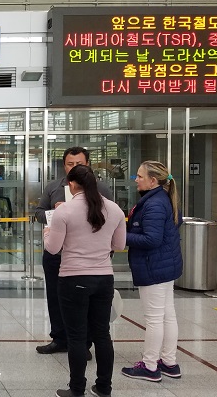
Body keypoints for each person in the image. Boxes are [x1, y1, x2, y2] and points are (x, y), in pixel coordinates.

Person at [43, 165, 126, 397]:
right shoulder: (114, 209)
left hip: (73, 279)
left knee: (77, 336)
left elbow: (53, 248)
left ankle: (77, 388)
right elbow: (119, 245)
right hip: (104, 278)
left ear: (72, 184)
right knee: (102, 334)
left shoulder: (64, 211)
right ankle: (104, 387)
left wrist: (47, 233)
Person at [34, 147, 113, 356]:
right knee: (55, 298)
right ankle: (59, 338)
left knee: (85, 303)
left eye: (79, 164)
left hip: (87, 257)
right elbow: (38, 213)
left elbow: (109, 219)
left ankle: (83, 343)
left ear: (88, 165)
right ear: (64, 166)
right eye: (70, 164)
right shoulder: (53, 187)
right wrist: (55, 212)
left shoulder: (101, 190)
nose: (75, 168)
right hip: (57, 254)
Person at [121, 161, 183, 382]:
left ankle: (149, 366)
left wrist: (121, 236)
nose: (136, 179)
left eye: (140, 176)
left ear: (153, 180)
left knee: (155, 318)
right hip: (165, 265)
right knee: (167, 315)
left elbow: (152, 239)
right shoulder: (163, 198)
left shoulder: (154, 203)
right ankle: (169, 362)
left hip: (153, 266)